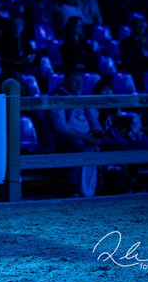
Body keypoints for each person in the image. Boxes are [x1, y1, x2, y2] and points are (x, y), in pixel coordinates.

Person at [42, 68, 103, 197]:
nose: (79, 85)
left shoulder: (83, 98)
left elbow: (94, 121)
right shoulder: (57, 97)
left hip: (85, 135)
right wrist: (86, 138)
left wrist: (97, 133)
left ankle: (108, 184)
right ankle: (72, 185)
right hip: (60, 138)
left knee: (110, 140)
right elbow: (61, 127)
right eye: (75, 81)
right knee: (77, 144)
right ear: (66, 82)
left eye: (81, 81)